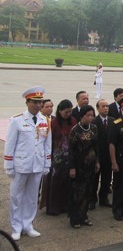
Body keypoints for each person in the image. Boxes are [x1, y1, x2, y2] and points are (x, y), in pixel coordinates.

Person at [4, 86, 52, 241]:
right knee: (17, 197)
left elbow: (47, 144)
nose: (37, 105)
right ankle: (16, 227)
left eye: (40, 102)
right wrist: (8, 165)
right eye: (34, 102)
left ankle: (28, 225)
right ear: (27, 102)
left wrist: (47, 163)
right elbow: (10, 144)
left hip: (37, 164)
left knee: (32, 198)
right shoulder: (17, 120)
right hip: (20, 165)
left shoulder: (45, 120)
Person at [43, 99, 77, 216]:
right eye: (66, 112)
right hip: (56, 156)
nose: (68, 114)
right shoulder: (53, 123)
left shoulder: (73, 121)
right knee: (55, 182)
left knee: (67, 182)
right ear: (60, 111)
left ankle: (65, 205)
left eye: (70, 112)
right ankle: (53, 207)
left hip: (69, 156)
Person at [68, 105, 99, 228]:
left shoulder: (94, 128)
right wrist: (72, 167)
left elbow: (96, 147)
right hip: (78, 165)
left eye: (92, 115)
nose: (90, 118)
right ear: (82, 116)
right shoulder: (75, 130)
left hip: (90, 165)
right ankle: (75, 218)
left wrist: (97, 161)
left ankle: (84, 215)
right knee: (78, 193)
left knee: (88, 192)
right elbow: (71, 150)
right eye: (88, 115)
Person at [89, 99, 114, 209]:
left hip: (109, 156)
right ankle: (92, 200)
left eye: (107, 106)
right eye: (103, 106)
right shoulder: (93, 122)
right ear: (98, 108)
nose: (105, 108)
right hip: (97, 156)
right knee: (94, 180)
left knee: (107, 179)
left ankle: (104, 198)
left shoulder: (113, 121)